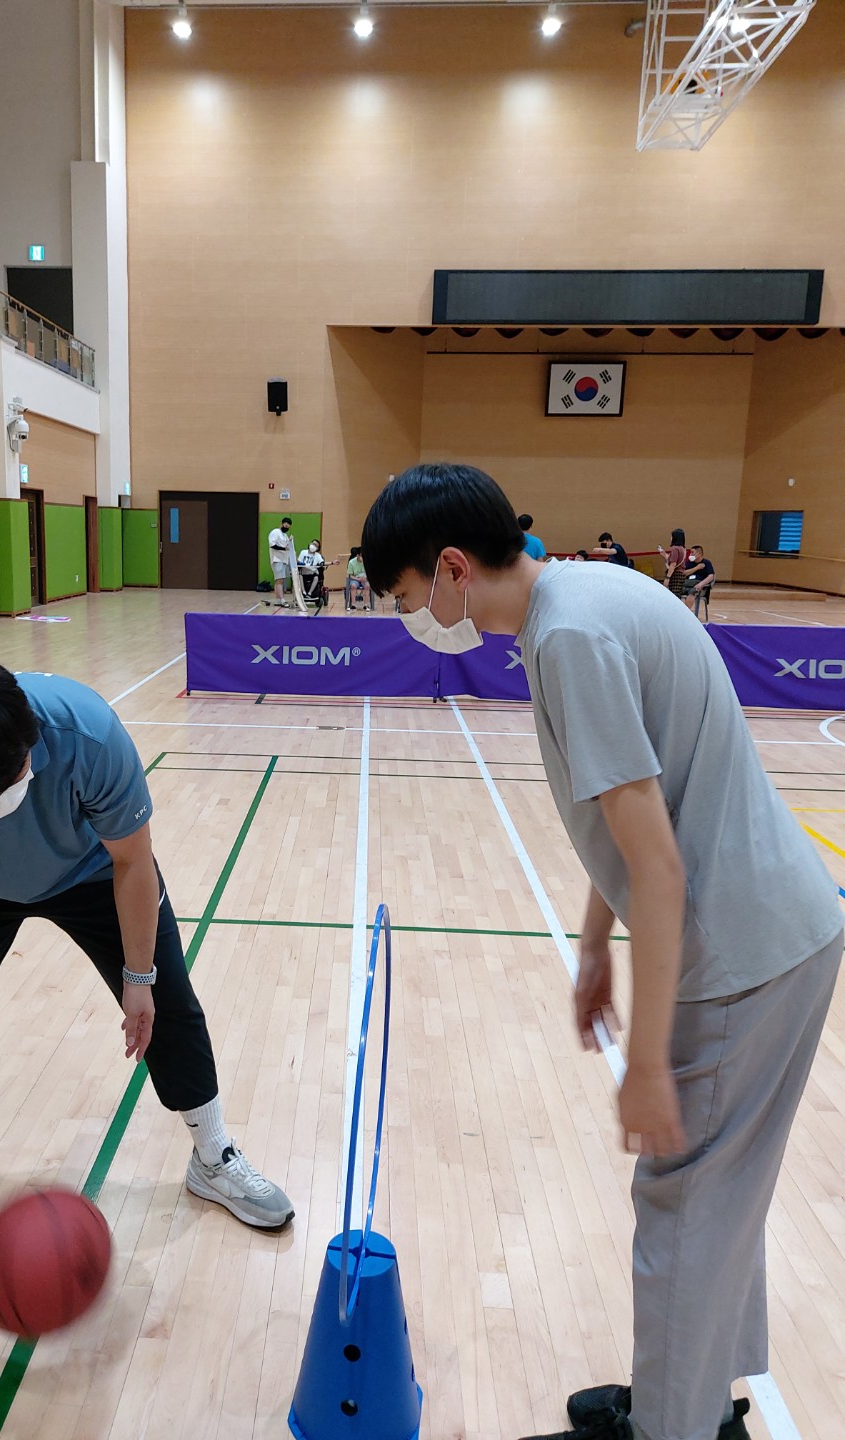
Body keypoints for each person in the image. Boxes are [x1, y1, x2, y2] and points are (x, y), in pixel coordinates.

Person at [361, 464, 842, 1440]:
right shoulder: (581, 596)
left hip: (744, 954)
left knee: (684, 1203)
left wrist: (650, 1062)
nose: (414, 620)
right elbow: (642, 807)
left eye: (408, 598)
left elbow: (658, 868)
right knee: (718, 1200)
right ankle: (694, 1407)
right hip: (779, 931)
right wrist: (593, 943)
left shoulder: (569, 638)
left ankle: (673, 1428)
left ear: (452, 568)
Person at [0, 654, 294, 1325]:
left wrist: (138, 977)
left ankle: (214, 1156)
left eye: (9, 780)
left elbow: (133, 860)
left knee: (169, 1003)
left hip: (90, 870)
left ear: (31, 739)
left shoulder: (87, 734)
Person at [681, 545, 716, 621]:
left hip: (700, 587)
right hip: (687, 584)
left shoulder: (707, 563)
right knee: (675, 590)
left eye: (692, 552)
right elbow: (684, 573)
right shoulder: (689, 563)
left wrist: (701, 584)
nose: (691, 554)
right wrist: (696, 568)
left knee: (692, 592)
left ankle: (684, 614)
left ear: (699, 554)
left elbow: (711, 576)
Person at [268, 516, 294, 605]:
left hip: (283, 560)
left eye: (288, 527)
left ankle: (278, 600)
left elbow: (287, 547)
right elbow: (272, 545)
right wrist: (283, 548)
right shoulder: (275, 532)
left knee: (279, 580)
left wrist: (290, 541)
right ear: (282, 524)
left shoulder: (285, 536)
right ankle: (282, 600)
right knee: (279, 580)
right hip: (277, 559)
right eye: (285, 526)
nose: (286, 528)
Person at [657, 529, 688, 596]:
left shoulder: (674, 548)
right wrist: (665, 555)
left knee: (673, 595)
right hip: (681, 574)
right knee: (677, 595)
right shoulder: (683, 549)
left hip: (675, 575)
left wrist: (667, 578)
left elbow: (673, 564)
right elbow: (677, 560)